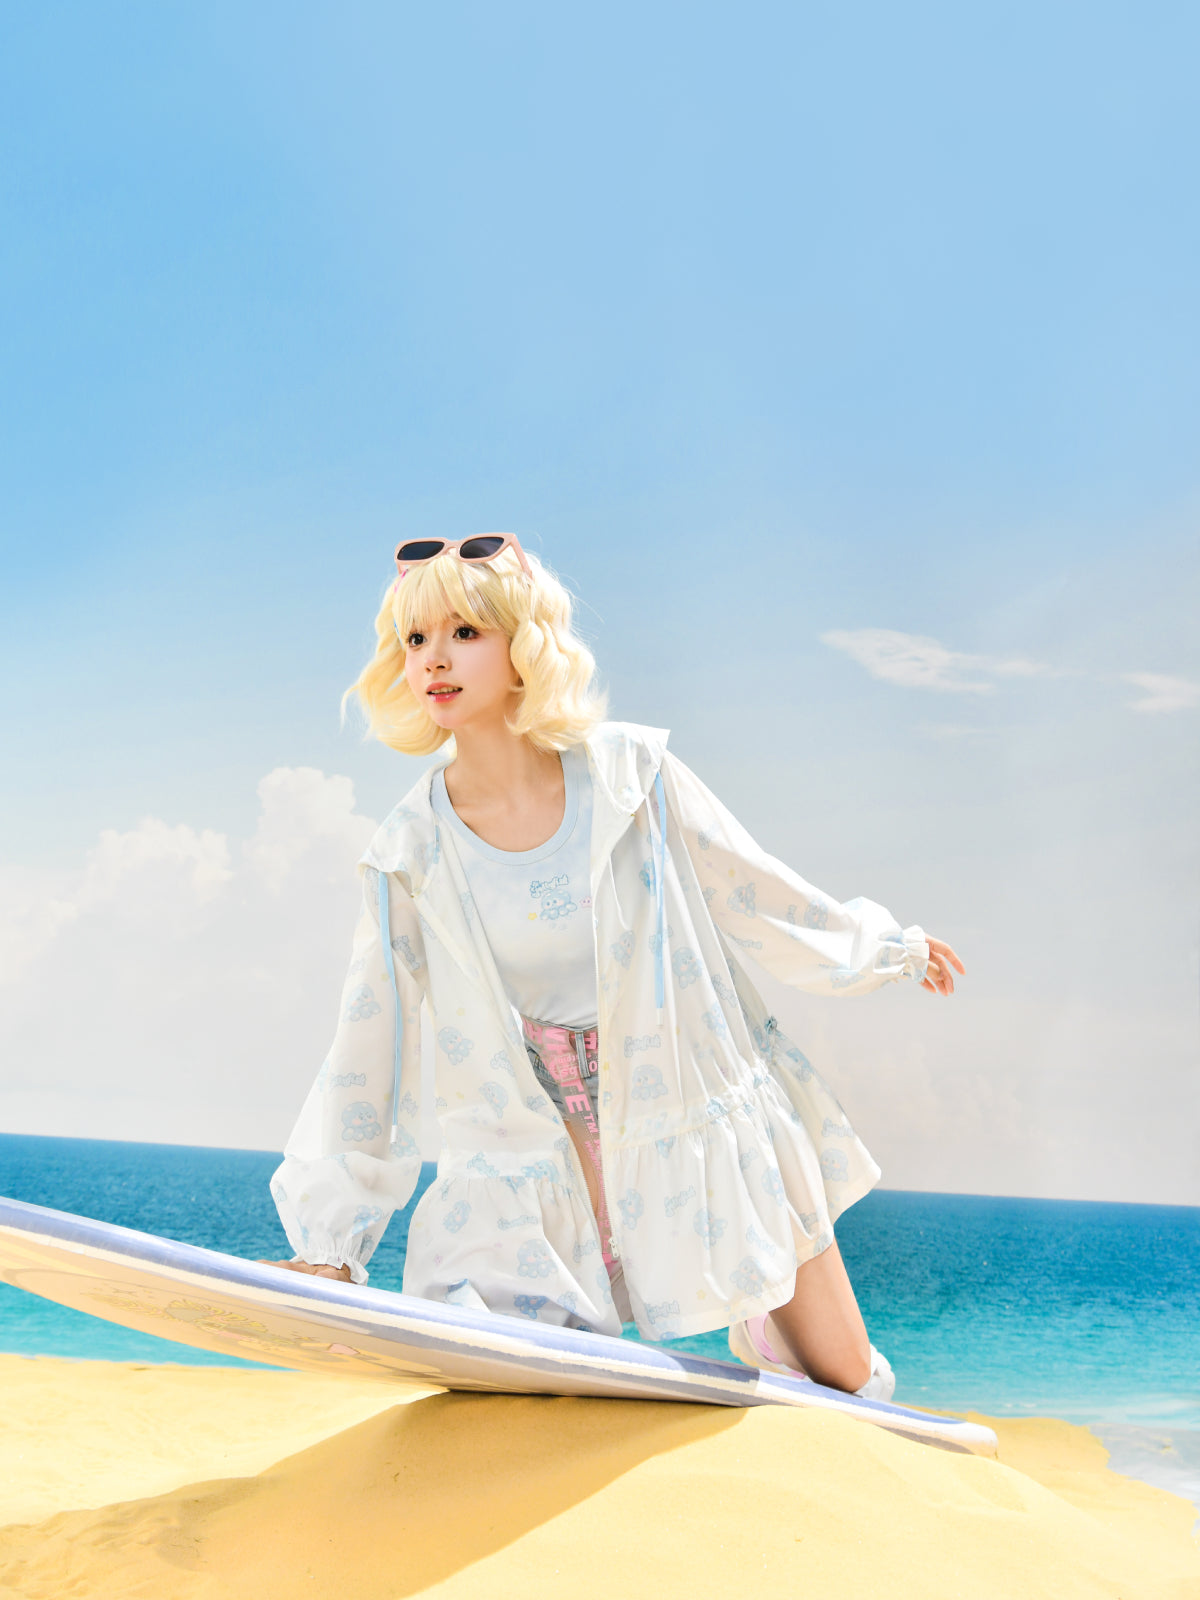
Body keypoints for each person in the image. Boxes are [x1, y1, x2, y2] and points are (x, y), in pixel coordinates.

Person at [264, 534, 963, 1398]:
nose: (434, 660)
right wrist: (332, 1250)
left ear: (522, 647)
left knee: (850, 1378)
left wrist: (884, 948)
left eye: (465, 633)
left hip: (693, 1104)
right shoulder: (409, 851)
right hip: (536, 1151)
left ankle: (766, 1328)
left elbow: (751, 889)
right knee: (505, 1375)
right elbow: (370, 1047)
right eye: (416, 640)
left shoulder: (632, 777)